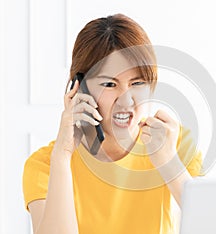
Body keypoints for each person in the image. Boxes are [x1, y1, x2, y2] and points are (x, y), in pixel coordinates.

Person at [22, 13, 202, 234]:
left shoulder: (173, 142)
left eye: (137, 83)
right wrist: (63, 155)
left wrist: (168, 161)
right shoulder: (45, 165)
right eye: (109, 84)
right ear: (79, 89)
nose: (126, 100)